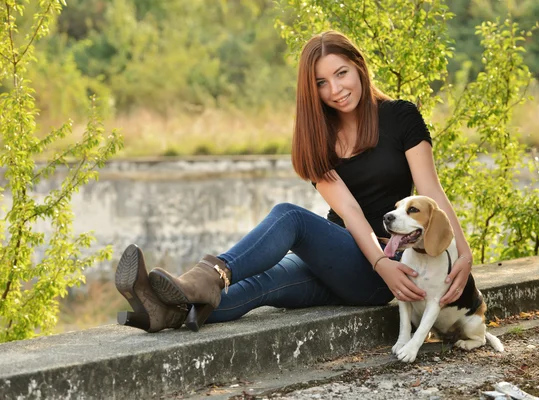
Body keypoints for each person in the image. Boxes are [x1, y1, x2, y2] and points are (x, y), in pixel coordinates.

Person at [114, 30, 474, 333]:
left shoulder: (401, 117)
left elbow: (431, 194)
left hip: (385, 269)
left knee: (291, 217)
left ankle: (205, 276)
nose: (335, 89)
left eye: (342, 73)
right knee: (263, 284)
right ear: (311, 90)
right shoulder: (317, 139)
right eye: (322, 82)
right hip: (341, 255)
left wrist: (463, 253)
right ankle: (164, 311)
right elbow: (348, 212)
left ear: (359, 68)